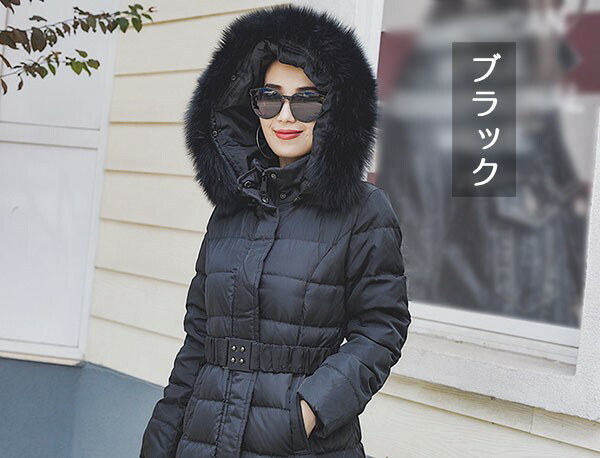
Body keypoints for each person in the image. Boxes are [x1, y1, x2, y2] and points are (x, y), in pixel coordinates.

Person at [140, 5, 411, 458]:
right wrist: (163, 435)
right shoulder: (232, 207)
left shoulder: (364, 211)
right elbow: (199, 338)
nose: (285, 116)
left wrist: (309, 410)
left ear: (333, 109)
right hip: (204, 436)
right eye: (270, 98)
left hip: (297, 443)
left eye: (306, 100)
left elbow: (381, 330)